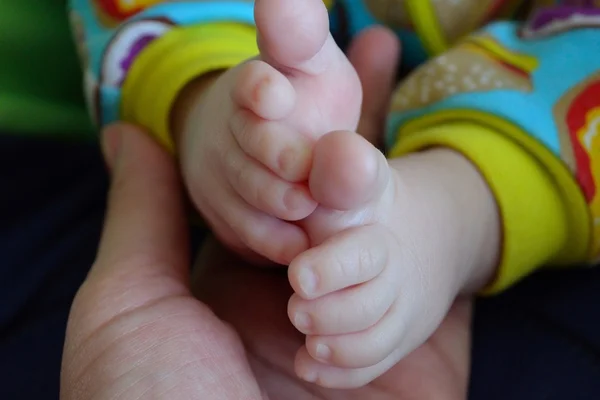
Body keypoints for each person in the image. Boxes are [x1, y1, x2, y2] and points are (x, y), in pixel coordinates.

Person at [68, 0, 600, 387]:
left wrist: (465, 197)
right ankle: (237, 125)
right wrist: (205, 104)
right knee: (250, 117)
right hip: (229, 34)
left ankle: (452, 211)